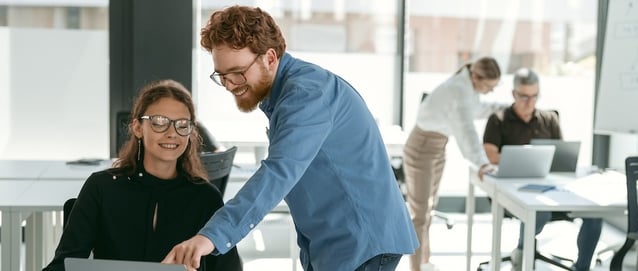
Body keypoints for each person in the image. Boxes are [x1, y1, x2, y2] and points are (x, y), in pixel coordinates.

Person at [161, 5, 418, 271]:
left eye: (237, 72)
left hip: (361, 243)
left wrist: (211, 236)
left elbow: (278, 173)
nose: (228, 84)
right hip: (339, 243)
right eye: (222, 75)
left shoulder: (307, 96)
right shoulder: (287, 93)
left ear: (270, 58)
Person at [42, 79, 242, 271]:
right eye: (159, 122)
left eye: (182, 124)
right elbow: (61, 267)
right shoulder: (102, 187)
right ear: (138, 128)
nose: (172, 133)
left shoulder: (205, 198)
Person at [483, 68, 602, 271]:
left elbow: (562, 156)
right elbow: (492, 156)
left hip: (551, 188)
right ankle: (522, 250)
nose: (529, 102)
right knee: (538, 211)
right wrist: (526, 155)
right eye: (524, 96)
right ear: (513, 94)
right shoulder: (498, 120)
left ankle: (582, 267)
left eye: (534, 96)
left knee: (594, 214)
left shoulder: (549, 119)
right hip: (514, 191)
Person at [403, 56, 507, 271]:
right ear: (477, 77)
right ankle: (415, 268)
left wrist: (503, 108)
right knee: (420, 215)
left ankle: (424, 263)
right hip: (422, 147)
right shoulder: (458, 91)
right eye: (489, 86)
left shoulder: (468, 85)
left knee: (428, 211)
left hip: (438, 146)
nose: (490, 91)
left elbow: (476, 109)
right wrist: (482, 163)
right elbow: (466, 132)